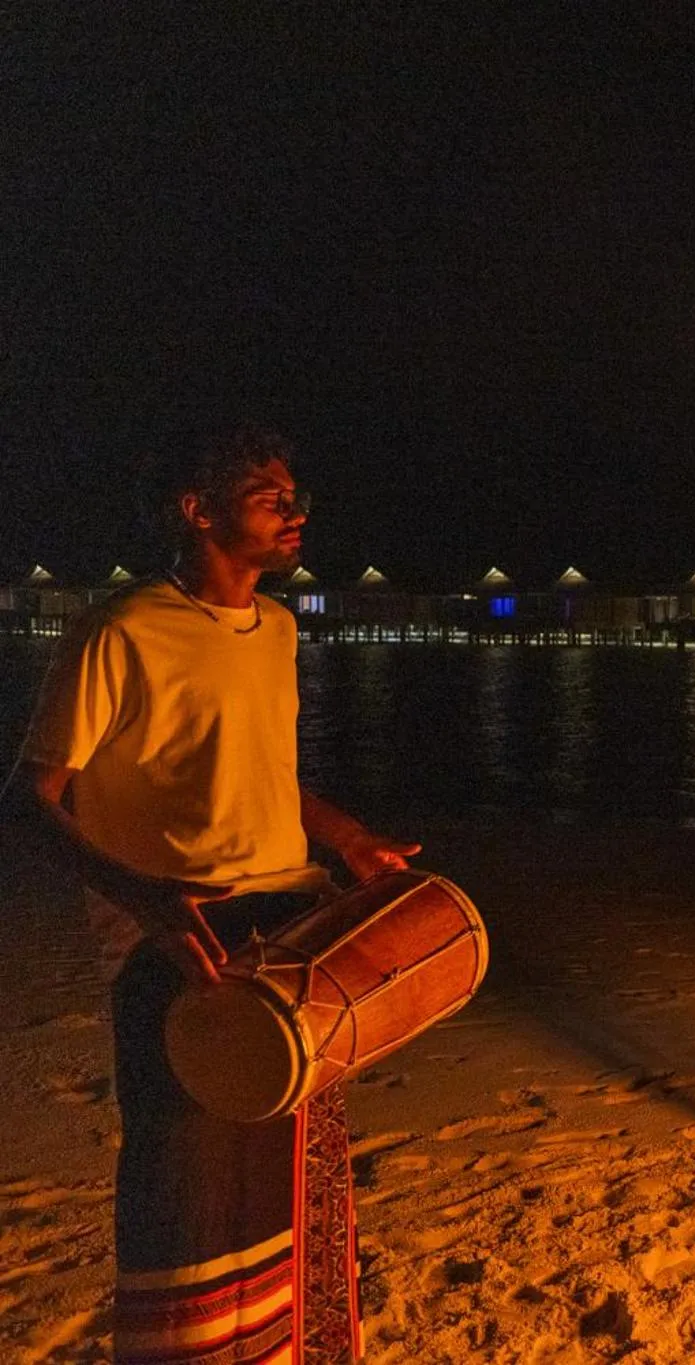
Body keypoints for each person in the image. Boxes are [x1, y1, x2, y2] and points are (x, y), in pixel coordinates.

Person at [7, 425, 417, 1363]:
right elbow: (27, 800)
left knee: (292, 1177)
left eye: (294, 494)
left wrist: (349, 838)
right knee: (180, 1190)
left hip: (289, 925)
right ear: (196, 510)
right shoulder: (122, 629)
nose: (296, 510)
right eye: (270, 496)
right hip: (178, 945)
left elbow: (264, 769)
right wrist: (143, 898)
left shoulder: (277, 627)